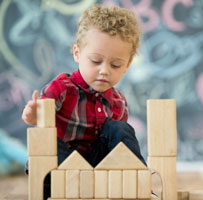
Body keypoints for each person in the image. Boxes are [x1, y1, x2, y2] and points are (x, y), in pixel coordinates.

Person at [22, 4, 154, 199]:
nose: (105, 70)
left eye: (115, 65)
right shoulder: (61, 88)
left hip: (95, 173)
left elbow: (114, 147)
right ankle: (77, 188)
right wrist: (34, 117)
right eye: (95, 61)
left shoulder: (118, 102)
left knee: (120, 129)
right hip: (58, 171)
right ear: (77, 54)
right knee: (48, 140)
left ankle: (138, 184)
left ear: (126, 65)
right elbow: (39, 130)